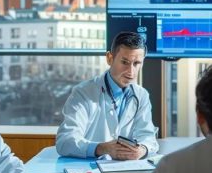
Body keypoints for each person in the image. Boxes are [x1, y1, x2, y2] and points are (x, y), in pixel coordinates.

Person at [57, 31, 159, 160]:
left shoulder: (141, 95)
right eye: (125, 62)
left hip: (126, 170)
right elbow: (65, 142)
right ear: (109, 58)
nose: (131, 71)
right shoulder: (83, 92)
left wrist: (142, 150)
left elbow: (148, 137)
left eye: (136, 63)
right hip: (89, 172)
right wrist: (101, 148)